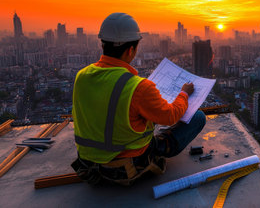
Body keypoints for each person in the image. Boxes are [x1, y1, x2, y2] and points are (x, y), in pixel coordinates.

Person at [71, 12, 206, 186]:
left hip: (88, 164)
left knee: (139, 114)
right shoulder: (137, 87)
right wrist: (184, 94)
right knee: (198, 117)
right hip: (125, 166)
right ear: (131, 49)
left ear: (103, 45)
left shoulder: (81, 76)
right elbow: (171, 116)